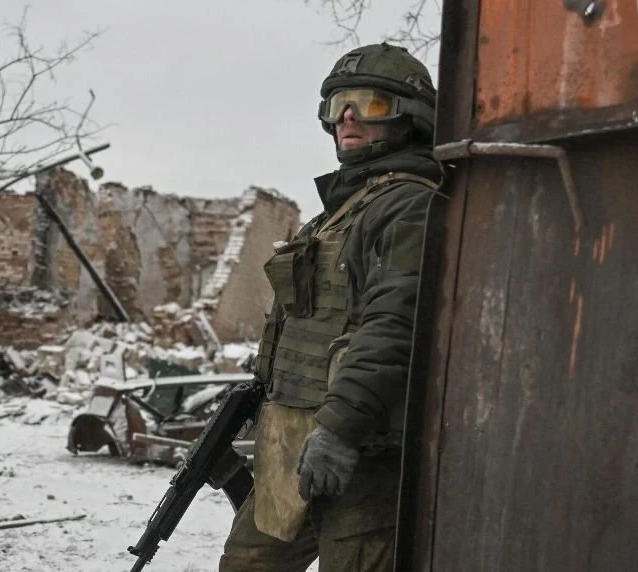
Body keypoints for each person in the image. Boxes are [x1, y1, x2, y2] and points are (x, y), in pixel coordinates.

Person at [218, 42, 441, 572]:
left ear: (409, 116)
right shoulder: (335, 215)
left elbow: (393, 326)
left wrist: (339, 430)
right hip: (293, 440)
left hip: (360, 452)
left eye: (369, 104)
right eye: (339, 105)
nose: (348, 117)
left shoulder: (409, 206)